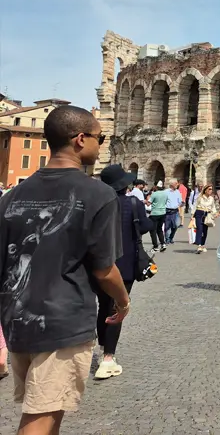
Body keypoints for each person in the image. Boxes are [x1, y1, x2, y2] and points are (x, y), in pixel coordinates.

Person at [0, 105, 131, 433]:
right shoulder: (98, 194)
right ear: (80, 139)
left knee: (48, 411)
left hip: (16, 318)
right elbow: (104, 269)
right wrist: (123, 301)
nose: (102, 145)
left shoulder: (12, 195)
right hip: (62, 319)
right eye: (101, 138)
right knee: (39, 418)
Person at [95, 164, 153, 380]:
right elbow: (147, 226)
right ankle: (108, 358)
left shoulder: (98, 204)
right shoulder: (133, 203)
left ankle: (102, 348)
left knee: (104, 306)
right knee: (118, 308)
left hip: (100, 263)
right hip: (126, 264)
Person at [193, 184, 219, 254]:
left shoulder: (211, 198)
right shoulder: (200, 197)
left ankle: (202, 244)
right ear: (205, 190)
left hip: (207, 214)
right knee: (199, 229)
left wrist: (215, 213)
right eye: (209, 189)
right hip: (199, 213)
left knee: (205, 231)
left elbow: (213, 206)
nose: (211, 191)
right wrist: (192, 215)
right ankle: (199, 245)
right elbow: (195, 205)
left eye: (211, 189)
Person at [148, 181, 168, 252]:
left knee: (153, 230)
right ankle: (163, 243)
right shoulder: (165, 194)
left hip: (155, 213)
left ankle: (155, 246)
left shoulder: (154, 194)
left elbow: (148, 203)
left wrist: (144, 201)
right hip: (163, 212)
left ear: (156, 186)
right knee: (159, 229)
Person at [163, 179, 184, 245]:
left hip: (175, 211)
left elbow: (180, 201)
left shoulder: (178, 192)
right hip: (167, 211)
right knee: (167, 226)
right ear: (172, 184)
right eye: (176, 183)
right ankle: (167, 239)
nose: (177, 185)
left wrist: (182, 203)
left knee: (176, 225)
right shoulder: (165, 192)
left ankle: (171, 237)